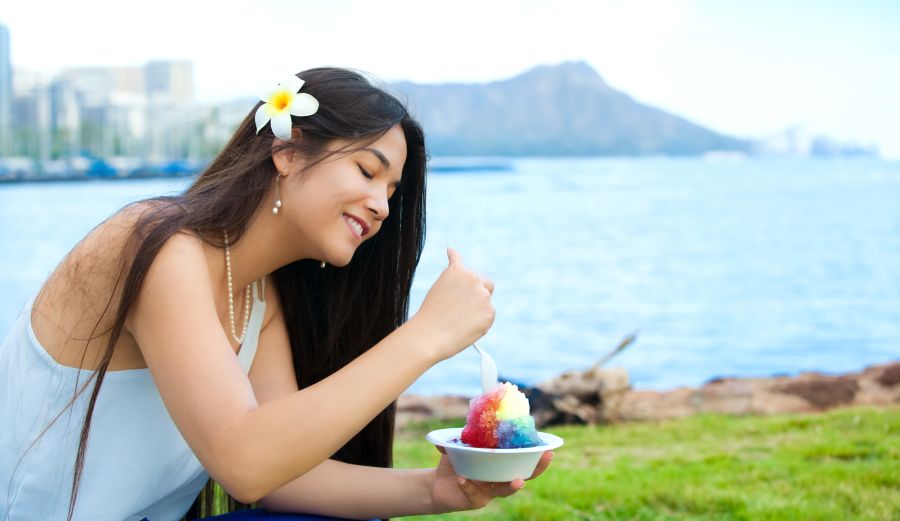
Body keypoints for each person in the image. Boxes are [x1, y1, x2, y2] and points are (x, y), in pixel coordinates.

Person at [0, 67, 552, 521]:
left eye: (391, 191)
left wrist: (436, 491)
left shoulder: (257, 298)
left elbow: (287, 476)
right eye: (367, 170)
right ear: (287, 152)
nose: (382, 205)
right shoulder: (157, 246)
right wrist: (426, 337)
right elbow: (246, 462)